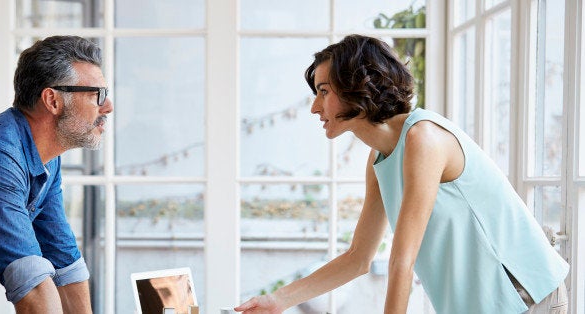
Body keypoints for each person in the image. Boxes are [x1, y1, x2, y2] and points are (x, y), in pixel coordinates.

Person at [235, 34, 569, 313]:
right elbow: (358, 257)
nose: (314, 107)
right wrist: (278, 300)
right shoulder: (380, 157)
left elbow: (401, 261)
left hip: (526, 296)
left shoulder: (423, 139)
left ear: (356, 86)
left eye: (323, 91)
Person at [0, 35, 113, 313]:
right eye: (96, 95)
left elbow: (64, 258)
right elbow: (31, 285)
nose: (108, 106)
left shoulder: (46, 159)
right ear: (52, 100)